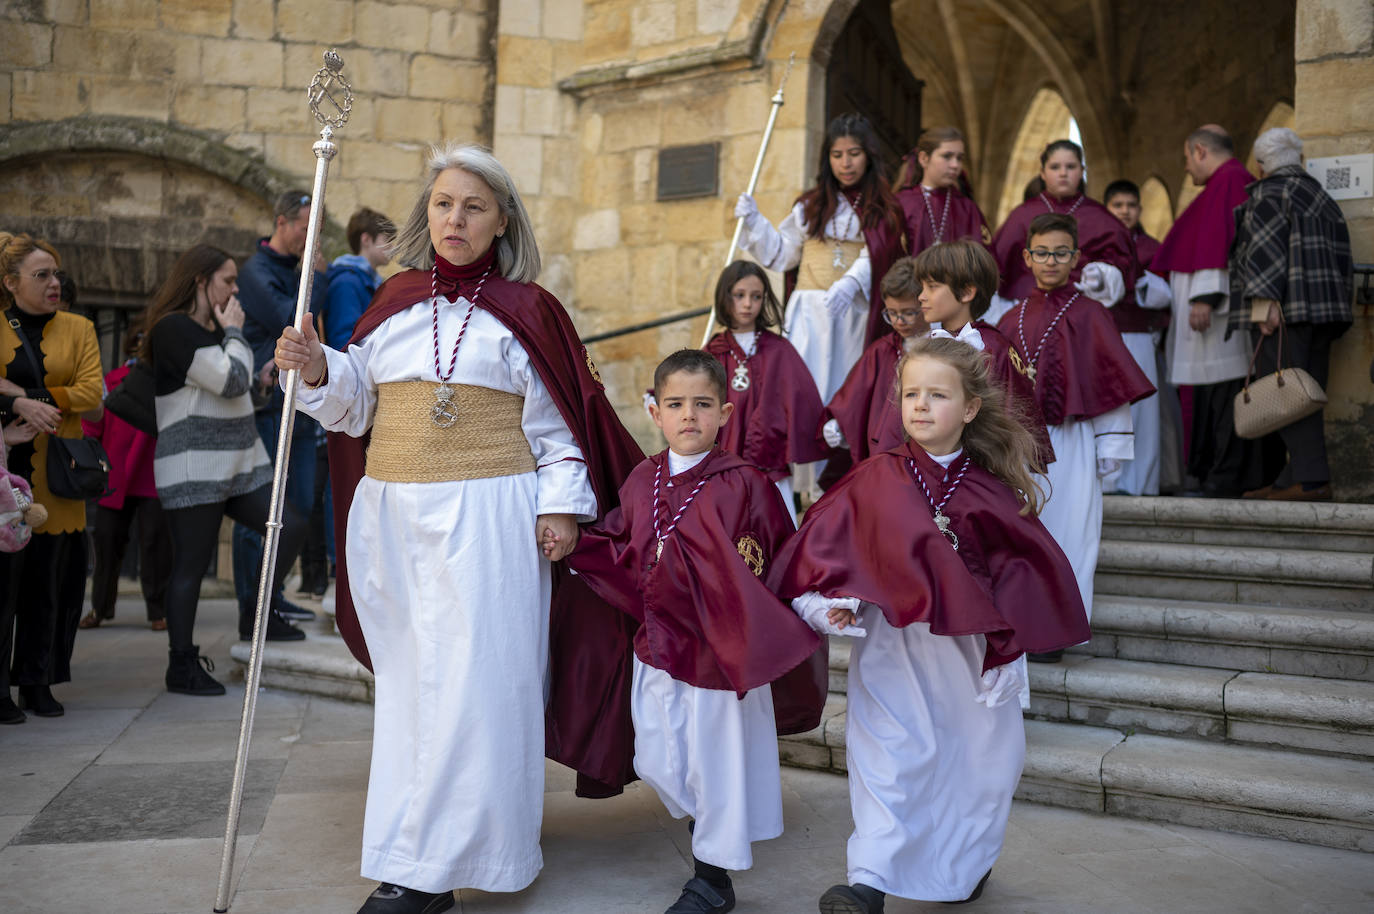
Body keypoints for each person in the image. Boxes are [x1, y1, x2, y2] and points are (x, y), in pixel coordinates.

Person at [273, 142, 643, 914]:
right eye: (444, 203)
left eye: (474, 206)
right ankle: (413, 848)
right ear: (426, 213)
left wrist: (560, 507)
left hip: (492, 518)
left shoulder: (529, 311)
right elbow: (355, 407)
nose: (456, 218)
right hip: (396, 514)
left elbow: (560, 432)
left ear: (502, 220)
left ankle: (436, 870)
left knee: (481, 688)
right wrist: (314, 367)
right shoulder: (394, 302)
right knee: (415, 689)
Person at [769, 337, 1089, 912]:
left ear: (969, 408)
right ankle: (867, 880)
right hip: (895, 650)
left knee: (981, 765)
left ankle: (963, 866)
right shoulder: (874, 480)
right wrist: (830, 605)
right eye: (911, 394)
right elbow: (819, 559)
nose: (920, 405)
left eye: (937, 395)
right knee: (890, 759)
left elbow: (1021, 583)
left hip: (970, 659)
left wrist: (1010, 659)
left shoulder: (993, 492)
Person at [565, 350, 826, 914]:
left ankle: (713, 879)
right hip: (656, 650)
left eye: (703, 405)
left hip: (720, 658)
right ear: (654, 411)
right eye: (677, 405)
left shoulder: (748, 485)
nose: (690, 416)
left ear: (725, 413)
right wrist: (573, 548)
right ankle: (705, 832)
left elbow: (783, 560)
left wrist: (818, 608)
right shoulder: (642, 480)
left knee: (716, 765)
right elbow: (619, 543)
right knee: (659, 760)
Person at [144, 244, 308, 696]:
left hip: (237, 465)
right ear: (200, 280)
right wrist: (236, 334)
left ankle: (256, 614)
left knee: (290, 526)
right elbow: (228, 378)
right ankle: (181, 665)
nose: (236, 290)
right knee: (191, 569)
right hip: (195, 469)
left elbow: (234, 391)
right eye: (228, 280)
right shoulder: (173, 329)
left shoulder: (212, 331)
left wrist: (258, 378)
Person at [997, 215, 1153, 646]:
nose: (1051, 261)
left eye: (1061, 253)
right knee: (1021, 540)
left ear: (1076, 258)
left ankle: (1058, 633)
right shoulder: (1010, 318)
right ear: (1027, 257)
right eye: (1042, 252)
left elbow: (1109, 381)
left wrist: (1112, 445)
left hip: (1073, 442)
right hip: (1018, 447)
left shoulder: (1091, 314)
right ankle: (1020, 627)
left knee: (1071, 536)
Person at [0, 232, 103, 720]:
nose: (54, 283)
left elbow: (91, 394)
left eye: (56, 274)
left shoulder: (79, 328)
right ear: (11, 282)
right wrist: (17, 402)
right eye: (41, 275)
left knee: (51, 586)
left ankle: (38, 682)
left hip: (59, 476)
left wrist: (28, 398)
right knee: (5, 589)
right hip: (6, 470)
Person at [733, 113, 907, 402]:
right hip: (809, 313)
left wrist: (852, 282)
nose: (846, 163)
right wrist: (755, 221)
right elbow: (783, 255)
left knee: (846, 386)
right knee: (802, 389)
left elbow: (882, 251)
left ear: (868, 156)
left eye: (854, 154)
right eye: (837, 155)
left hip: (853, 312)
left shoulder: (883, 207)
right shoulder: (810, 205)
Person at [1229, 127, 1354, 501]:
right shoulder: (1321, 196)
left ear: (1261, 165)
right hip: (1325, 313)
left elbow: (1265, 254)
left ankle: (1313, 480)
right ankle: (1291, 477)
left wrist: (1264, 307)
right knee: (1306, 394)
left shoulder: (1269, 193)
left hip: (1284, 313)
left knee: (1286, 395)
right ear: (1298, 159)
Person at [232, 189, 327, 626]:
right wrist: (319, 274)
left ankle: (272, 595)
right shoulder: (256, 272)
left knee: (301, 506)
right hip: (269, 407)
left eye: (317, 230)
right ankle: (254, 610)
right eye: (306, 228)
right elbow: (291, 321)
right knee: (266, 511)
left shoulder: (294, 268)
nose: (312, 237)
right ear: (283, 222)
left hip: (301, 406)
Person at [1154, 125, 1260, 497]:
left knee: (1223, 395)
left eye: (1186, 159)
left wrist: (1205, 297)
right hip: (1208, 319)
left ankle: (1223, 475)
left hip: (1215, 318)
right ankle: (1207, 471)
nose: (1186, 168)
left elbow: (1220, 238)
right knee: (1208, 395)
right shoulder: (1224, 182)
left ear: (1200, 150)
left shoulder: (1229, 179)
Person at [702, 261, 827, 524]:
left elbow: (802, 398)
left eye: (756, 296)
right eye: (739, 295)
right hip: (722, 466)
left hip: (771, 465)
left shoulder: (779, 350)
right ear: (726, 297)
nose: (748, 304)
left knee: (776, 531)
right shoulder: (713, 352)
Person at [912, 242, 1052, 468]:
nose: (921, 296)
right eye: (922, 287)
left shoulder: (995, 347)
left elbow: (1015, 414)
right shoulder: (927, 346)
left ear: (967, 292)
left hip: (983, 468)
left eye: (932, 287)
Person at [80, 331, 173, 631]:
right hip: (116, 473)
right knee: (106, 541)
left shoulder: (166, 382)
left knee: (155, 545)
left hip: (152, 472)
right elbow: (94, 424)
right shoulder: (113, 380)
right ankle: (99, 607)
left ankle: (157, 610)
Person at [990, 140, 1138, 314]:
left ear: (1082, 171)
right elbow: (998, 265)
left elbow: (1124, 265)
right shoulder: (1021, 215)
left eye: (1070, 166)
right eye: (1054, 167)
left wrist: (1102, 274)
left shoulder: (1101, 217)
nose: (1063, 173)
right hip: (1028, 307)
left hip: (1083, 309)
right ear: (1042, 173)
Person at [1100, 179, 1173, 495]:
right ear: (1106, 209)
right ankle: (1107, 481)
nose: (1125, 211)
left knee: (1142, 413)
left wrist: (1138, 277)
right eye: (1118, 205)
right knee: (1107, 411)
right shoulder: (1095, 245)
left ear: (1140, 209)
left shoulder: (1152, 248)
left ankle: (1141, 484)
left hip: (1139, 336)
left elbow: (1166, 294)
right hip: (1102, 339)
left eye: (1130, 205)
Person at [821, 258, 929, 471]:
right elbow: (854, 397)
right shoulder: (882, 350)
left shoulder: (943, 347)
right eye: (891, 313)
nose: (899, 321)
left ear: (926, 302)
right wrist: (839, 424)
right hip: (883, 457)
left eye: (908, 312)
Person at [893, 126, 992, 254]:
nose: (955, 165)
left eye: (959, 158)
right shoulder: (902, 204)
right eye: (947, 156)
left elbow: (984, 259)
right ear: (924, 158)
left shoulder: (967, 209)